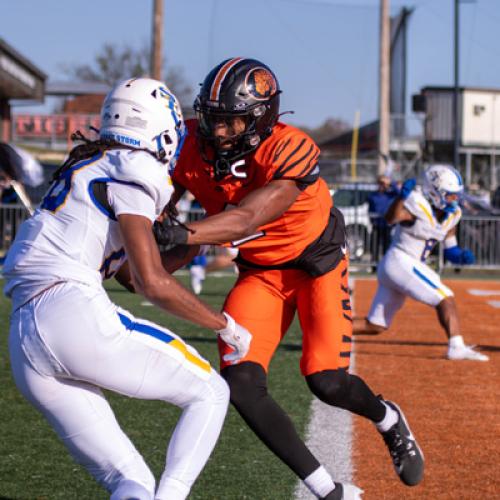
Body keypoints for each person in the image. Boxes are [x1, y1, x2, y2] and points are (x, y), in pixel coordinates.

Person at [154, 57, 424, 499]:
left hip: (316, 265)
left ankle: (387, 417)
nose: (218, 132)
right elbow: (167, 198)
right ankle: (326, 490)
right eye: (212, 119)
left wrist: (186, 232)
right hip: (260, 272)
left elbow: (249, 216)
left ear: (261, 118)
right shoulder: (189, 142)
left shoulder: (290, 146)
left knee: (327, 380)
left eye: (231, 122)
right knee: (239, 384)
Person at [3, 78, 252, 500]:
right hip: (69, 309)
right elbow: (152, 283)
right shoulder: (138, 166)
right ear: (163, 129)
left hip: (24, 337)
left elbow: (133, 276)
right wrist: (223, 324)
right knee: (210, 392)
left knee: (131, 481)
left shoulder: (91, 164)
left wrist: (199, 239)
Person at [354, 164, 489, 362]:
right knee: (445, 296)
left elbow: (450, 247)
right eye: (450, 195)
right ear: (436, 192)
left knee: (375, 325)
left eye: (456, 195)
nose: (455, 199)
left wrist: (459, 256)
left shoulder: (453, 214)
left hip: (404, 266)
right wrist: (400, 198)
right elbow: (390, 218)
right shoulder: (416, 203)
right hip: (399, 260)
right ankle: (456, 346)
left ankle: (326, 331)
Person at [367, 174, 399, 263]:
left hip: (387, 224)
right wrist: (372, 220)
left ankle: (386, 263)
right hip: (376, 224)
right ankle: (374, 265)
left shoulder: (391, 194)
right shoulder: (373, 196)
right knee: (375, 245)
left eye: (384, 183)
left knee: (386, 246)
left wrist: (390, 183)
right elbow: (370, 209)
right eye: (381, 183)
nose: (382, 185)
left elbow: (400, 193)